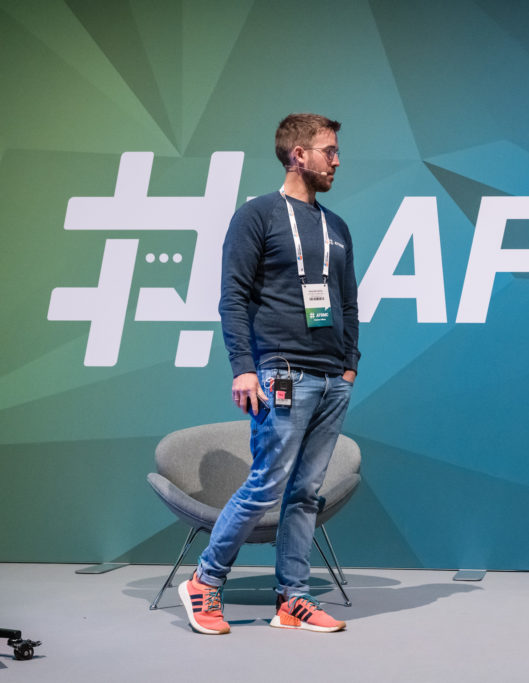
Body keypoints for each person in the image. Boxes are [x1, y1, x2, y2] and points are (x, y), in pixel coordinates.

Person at [179, 113, 360, 635]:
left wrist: (349, 366)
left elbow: (348, 302)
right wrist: (243, 368)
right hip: (281, 372)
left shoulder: (336, 226)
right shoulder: (257, 215)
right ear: (298, 155)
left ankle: (292, 600)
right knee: (267, 485)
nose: (337, 160)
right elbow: (232, 297)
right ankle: (205, 581)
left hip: (331, 379)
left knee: (306, 494)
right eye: (329, 150)